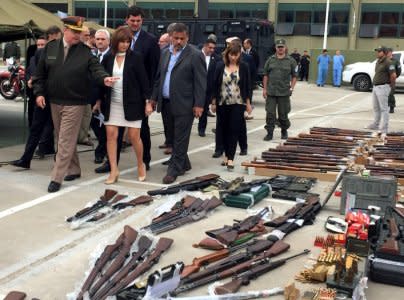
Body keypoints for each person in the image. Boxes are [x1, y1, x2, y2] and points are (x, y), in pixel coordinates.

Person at [33, 16, 118, 193]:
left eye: (80, 32)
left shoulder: (85, 52)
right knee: (64, 137)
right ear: (66, 30)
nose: (78, 36)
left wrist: (104, 78)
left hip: (75, 102)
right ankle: (74, 168)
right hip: (55, 101)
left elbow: (96, 69)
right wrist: (39, 93)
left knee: (64, 140)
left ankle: (56, 177)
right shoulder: (50, 47)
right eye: (75, 32)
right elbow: (40, 74)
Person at [151, 22, 206, 184]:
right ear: (170, 37)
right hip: (166, 102)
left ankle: (174, 169)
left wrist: (199, 104)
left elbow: (201, 82)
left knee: (181, 138)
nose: (179, 41)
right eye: (176, 38)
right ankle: (184, 163)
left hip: (185, 104)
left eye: (182, 38)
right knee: (172, 137)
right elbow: (158, 78)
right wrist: (153, 98)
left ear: (187, 37)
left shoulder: (195, 55)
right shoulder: (164, 53)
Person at [100, 26, 152, 184]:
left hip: (133, 103)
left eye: (128, 42)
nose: (125, 45)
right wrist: (97, 99)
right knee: (111, 136)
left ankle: (140, 164)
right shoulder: (108, 58)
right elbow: (101, 79)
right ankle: (114, 170)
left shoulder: (136, 57)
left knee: (134, 137)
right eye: (122, 41)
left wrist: (148, 102)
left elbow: (144, 81)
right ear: (116, 42)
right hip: (112, 103)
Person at [211, 43, 252, 170]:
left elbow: (247, 86)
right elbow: (214, 85)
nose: (233, 57)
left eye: (236, 55)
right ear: (227, 54)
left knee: (234, 129)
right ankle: (225, 154)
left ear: (240, 55)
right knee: (223, 129)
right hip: (222, 103)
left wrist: (248, 104)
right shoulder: (220, 66)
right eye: (231, 55)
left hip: (238, 103)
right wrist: (213, 102)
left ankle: (230, 158)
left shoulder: (244, 67)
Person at [262, 38, 297, 141]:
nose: (280, 49)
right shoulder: (270, 60)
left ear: (285, 48)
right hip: (271, 91)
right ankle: (270, 132)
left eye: (282, 47)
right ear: (276, 48)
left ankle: (284, 130)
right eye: (278, 47)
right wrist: (264, 89)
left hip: (284, 91)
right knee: (270, 114)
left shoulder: (291, 61)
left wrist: (292, 87)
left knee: (283, 114)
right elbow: (265, 75)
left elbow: (295, 76)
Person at [90, 29, 111, 164]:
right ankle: (102, 149)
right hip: (93, 96)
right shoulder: (93, 55)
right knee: (95, 124)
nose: (100, 41)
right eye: (97, 39)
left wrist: (99, 100)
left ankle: (102, 152)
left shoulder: (112, 56)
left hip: (106, 97)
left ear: (108, 41)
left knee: (106, 127)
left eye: (103, 39)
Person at [365, 46, 396, 134]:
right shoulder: (378, 61)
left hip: (383, 87)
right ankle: (375, 124)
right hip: (375, 87)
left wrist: (390, 86)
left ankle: (384, 129)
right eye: (377, 51)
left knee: (384, 109)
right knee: (376, 107)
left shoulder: (388, 62)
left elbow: (393, 75)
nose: (377, 53)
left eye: (379, 51)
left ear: (384, 53)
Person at [198, 36, 220, 137]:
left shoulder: (215, 58)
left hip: (208, 89)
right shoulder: (197, 55)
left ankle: (201, 129)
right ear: (205, 46)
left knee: (204, 109)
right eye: (210, 48)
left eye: (213, 48)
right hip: (196, 87)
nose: (212, 50)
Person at [386, 48, 401, 113]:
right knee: (383, 94)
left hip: (391, 80)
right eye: (386, 52)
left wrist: (394, 77)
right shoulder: (384, 60)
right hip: (384, 80)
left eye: (389, 52)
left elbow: (399, 71)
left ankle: (392, 107)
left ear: (391, 52)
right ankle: (384, 107)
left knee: (391, 94)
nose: (387, 53)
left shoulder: (395, 61)